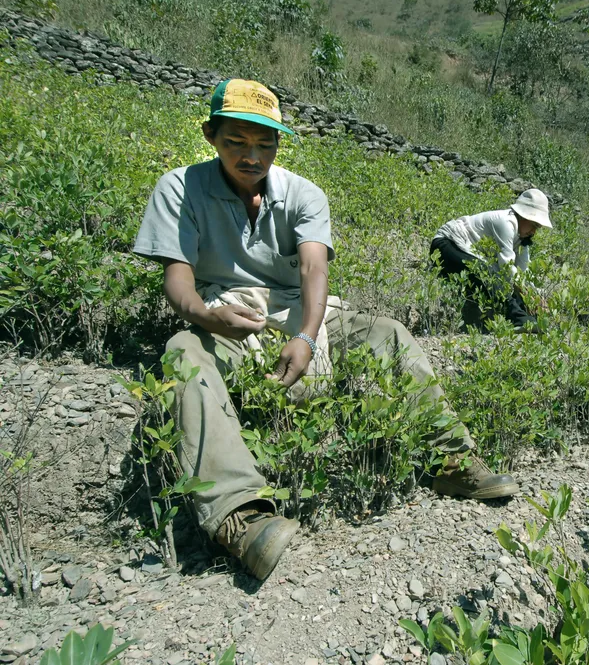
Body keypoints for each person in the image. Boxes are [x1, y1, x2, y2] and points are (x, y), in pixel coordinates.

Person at [133, 79, 519, 581]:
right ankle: (238, 518)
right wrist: (207, 319)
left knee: (387, 333)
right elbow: (178, 280)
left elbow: (314, 271)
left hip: (300, 311)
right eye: (236, 142)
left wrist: (307, 336)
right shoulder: (179, 187)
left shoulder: (302, 194)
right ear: (210, 135)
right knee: (182, 351)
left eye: (265, 144)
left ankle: (449, 461)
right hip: (226, 313)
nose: (252, 156)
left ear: (278, 144)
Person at [430, 190, 551, 330]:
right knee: (485, 274)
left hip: (463, 252)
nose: (534, 232)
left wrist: (533, 294)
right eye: (534, 225)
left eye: (538, 227)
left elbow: (522, 271)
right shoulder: (505, 222)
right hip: (445, 246)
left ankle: (525, 320)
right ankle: (519, 320)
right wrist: (526, 293)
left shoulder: (522, 238)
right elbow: (507, 265)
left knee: (509, 285)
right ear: (523, 216)